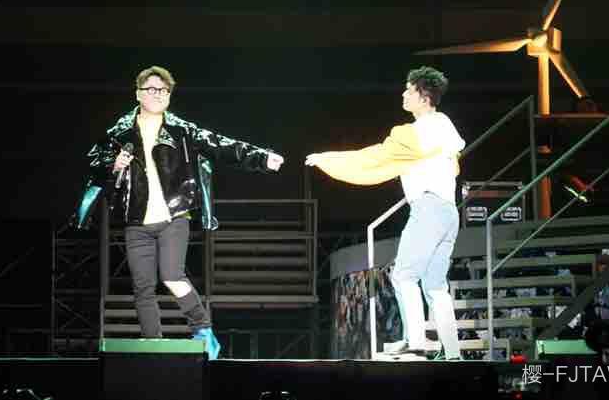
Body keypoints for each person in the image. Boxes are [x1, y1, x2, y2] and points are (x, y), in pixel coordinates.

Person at [72, 65, 284, 360]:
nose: (157, 94)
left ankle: (203, 329)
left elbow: (220, 144)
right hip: (136, 220)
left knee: (172, 275)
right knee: (143, 287)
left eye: (163, 90)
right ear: (138, 94)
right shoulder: (118, 133)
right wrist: (113, 165)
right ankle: (153, 346)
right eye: (151, 89)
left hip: (174, 216)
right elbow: (93, 164)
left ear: (169, 96)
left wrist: (261, 157)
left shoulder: (182, 130)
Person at [306, 66, 464, 360]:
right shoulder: (445, 126)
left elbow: (373, 157)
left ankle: (415, 341)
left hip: (428, 208)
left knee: (404, 276)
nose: (404, 94)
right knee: (435, 285)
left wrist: (327, 159)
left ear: (423, 96)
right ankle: (452, 351)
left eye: (409, 90)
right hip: (449, 212)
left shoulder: (415, 134)